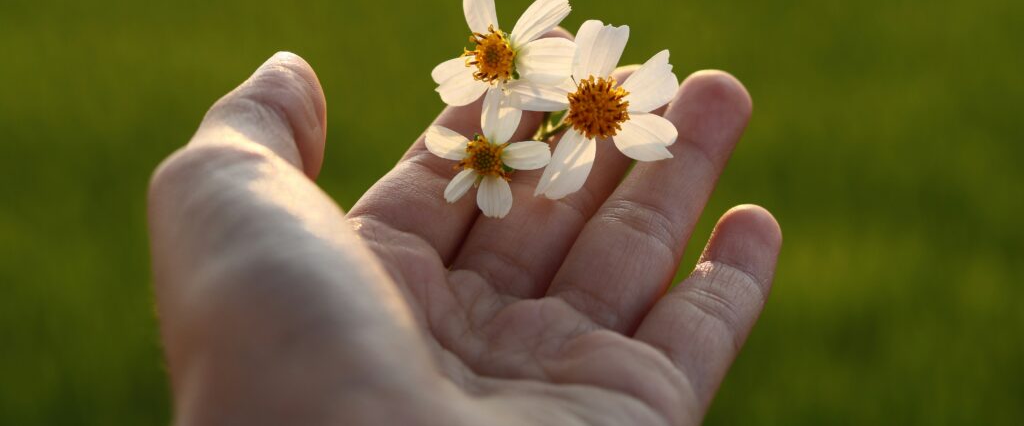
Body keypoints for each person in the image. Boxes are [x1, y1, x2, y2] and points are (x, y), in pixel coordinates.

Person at [148, 51, 781, 425]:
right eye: (593, 105)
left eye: (599, 109)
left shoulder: (568, 124)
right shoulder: (519, 124)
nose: (593, 108)